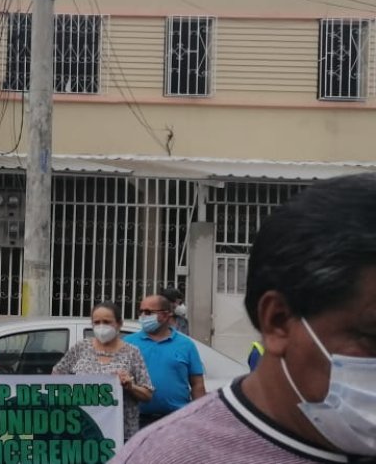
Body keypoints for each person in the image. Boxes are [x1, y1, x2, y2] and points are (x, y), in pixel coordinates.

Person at [111, 173, 376, 463]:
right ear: (278, 320)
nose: (146, 316)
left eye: (151, 311)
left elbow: (196, 383)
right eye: (372, 336)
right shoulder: (166, 456)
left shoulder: (183, 343)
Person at [53, 302, 153, 439]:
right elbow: (56, 376)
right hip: (83, 432)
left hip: (120, 433)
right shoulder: (81, 347)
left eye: (107, 322)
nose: (101, 326)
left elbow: (147, 394)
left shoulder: (132, 352)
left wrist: (130, 386)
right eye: (97, 322)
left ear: (119, 324)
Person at [124, 293, 205, 429]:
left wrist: (201, 420)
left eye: (148, 312)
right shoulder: (128, 343)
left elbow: (197, 385)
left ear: (166, 315)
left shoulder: (186, 344)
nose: (143, 316)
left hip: (176, 421)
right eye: (141, 311)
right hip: (136, 421)